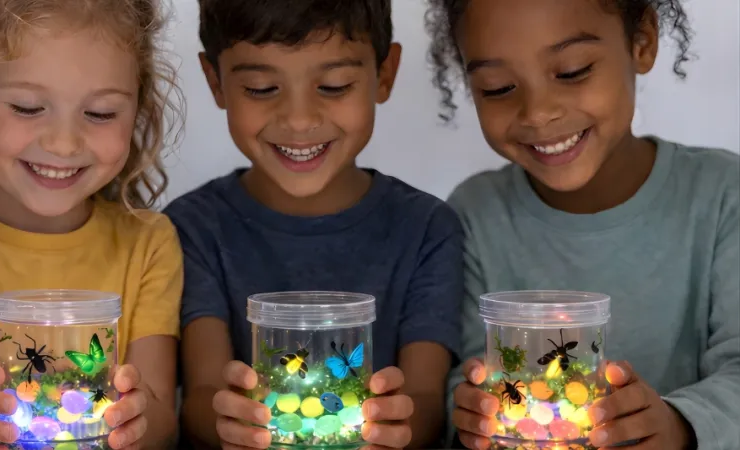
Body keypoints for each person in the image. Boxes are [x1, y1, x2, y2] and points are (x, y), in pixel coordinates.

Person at [424, 0, 740, 449]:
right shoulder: (474, 214)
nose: (538, 113)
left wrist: (678, 426)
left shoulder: (724, 196)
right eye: (498, 88)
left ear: (642, 42)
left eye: (572, 72)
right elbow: (462, 382)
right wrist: (472, 415)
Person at [166, 1, 464, 448]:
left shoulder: (427, 229)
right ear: (216, 81)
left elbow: (424, 400)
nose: (299, 119)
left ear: (384, 73)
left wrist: (392, 430)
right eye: (261, 88)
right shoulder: (193, 228)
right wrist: (233, 425)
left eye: (333, 86)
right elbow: (202, 396)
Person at [0, 0, 185, 448]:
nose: (64, 144)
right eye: (27, 107)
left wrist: (136, 421)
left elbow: (161, 418)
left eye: (101, 113)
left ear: (138, 108)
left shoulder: (150, 242)